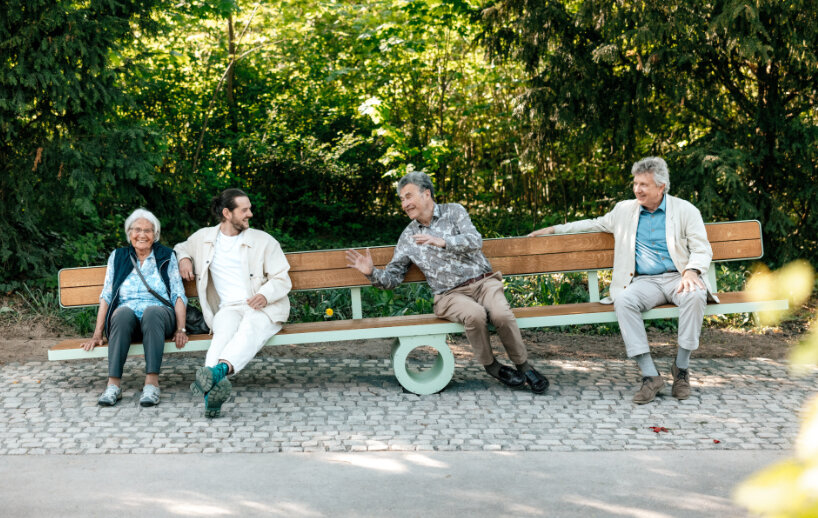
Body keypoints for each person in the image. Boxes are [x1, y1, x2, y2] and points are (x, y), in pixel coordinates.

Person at [529, 157, 716, 404]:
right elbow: (592, 224)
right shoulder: (624, 210)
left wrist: (692, 271)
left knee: (695, 294)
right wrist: (554, 230)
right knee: (624, 300)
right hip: (644, 282)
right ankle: (650, 376)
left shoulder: (685, 210)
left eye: (644, 185)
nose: (637, 189)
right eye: (636, 183)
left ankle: (681, 368)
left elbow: (702, 249)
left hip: (677, 277)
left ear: (661, 187)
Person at [347, 172, 549, 393]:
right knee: (475, 315)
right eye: (402, 200)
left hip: (484, 283)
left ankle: (524, 367)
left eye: (408, 197)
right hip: (449, 295)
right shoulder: (408, 237)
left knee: (501, 314)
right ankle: (492, 367)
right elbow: (394, 276)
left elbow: (475, 240)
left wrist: (442, 241)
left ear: (426, 194)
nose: (404, 204)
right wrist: (372, 273)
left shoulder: (454, 212)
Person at [175, 188, 292, 418]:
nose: (250, 214)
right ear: (227, 213)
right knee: (222, 335)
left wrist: (265, 295)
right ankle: (213, 392)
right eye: (244, 210)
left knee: (249, 329)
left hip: (264, 308)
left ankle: (216, 374)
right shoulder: (204, 238)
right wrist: (185, 259)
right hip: (227, 308)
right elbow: (181, 247)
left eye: (249, 209)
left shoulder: (263, 241)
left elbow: (282, 278)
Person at [81, 208, 189, 407]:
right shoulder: (118, 256)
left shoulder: (166, 255)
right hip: (127, 317)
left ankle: (152, 385)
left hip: (159, 315)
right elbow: (106, 294)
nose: (142, 235)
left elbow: (177, 293)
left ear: (155, 235)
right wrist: (97, 333)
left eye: (148, 230)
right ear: (129, 233)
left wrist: (180, 328)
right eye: (137, 229)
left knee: (152, 312)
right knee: (121, 313)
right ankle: (113, 385)